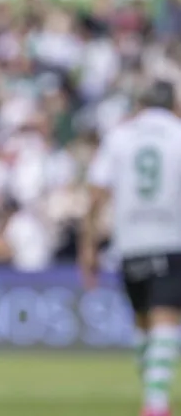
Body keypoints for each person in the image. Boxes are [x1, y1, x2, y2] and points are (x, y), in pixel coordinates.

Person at [81, 80, 181, 416]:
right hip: (171, 239)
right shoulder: (179, 133)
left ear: (140, 104)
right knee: (165, 317)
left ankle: (154, 398)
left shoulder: (119, 137)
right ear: (174, 104)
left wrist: (88, 246)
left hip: (129, 242)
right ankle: (155, 399)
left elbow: (95, 196)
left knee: (142, 322)